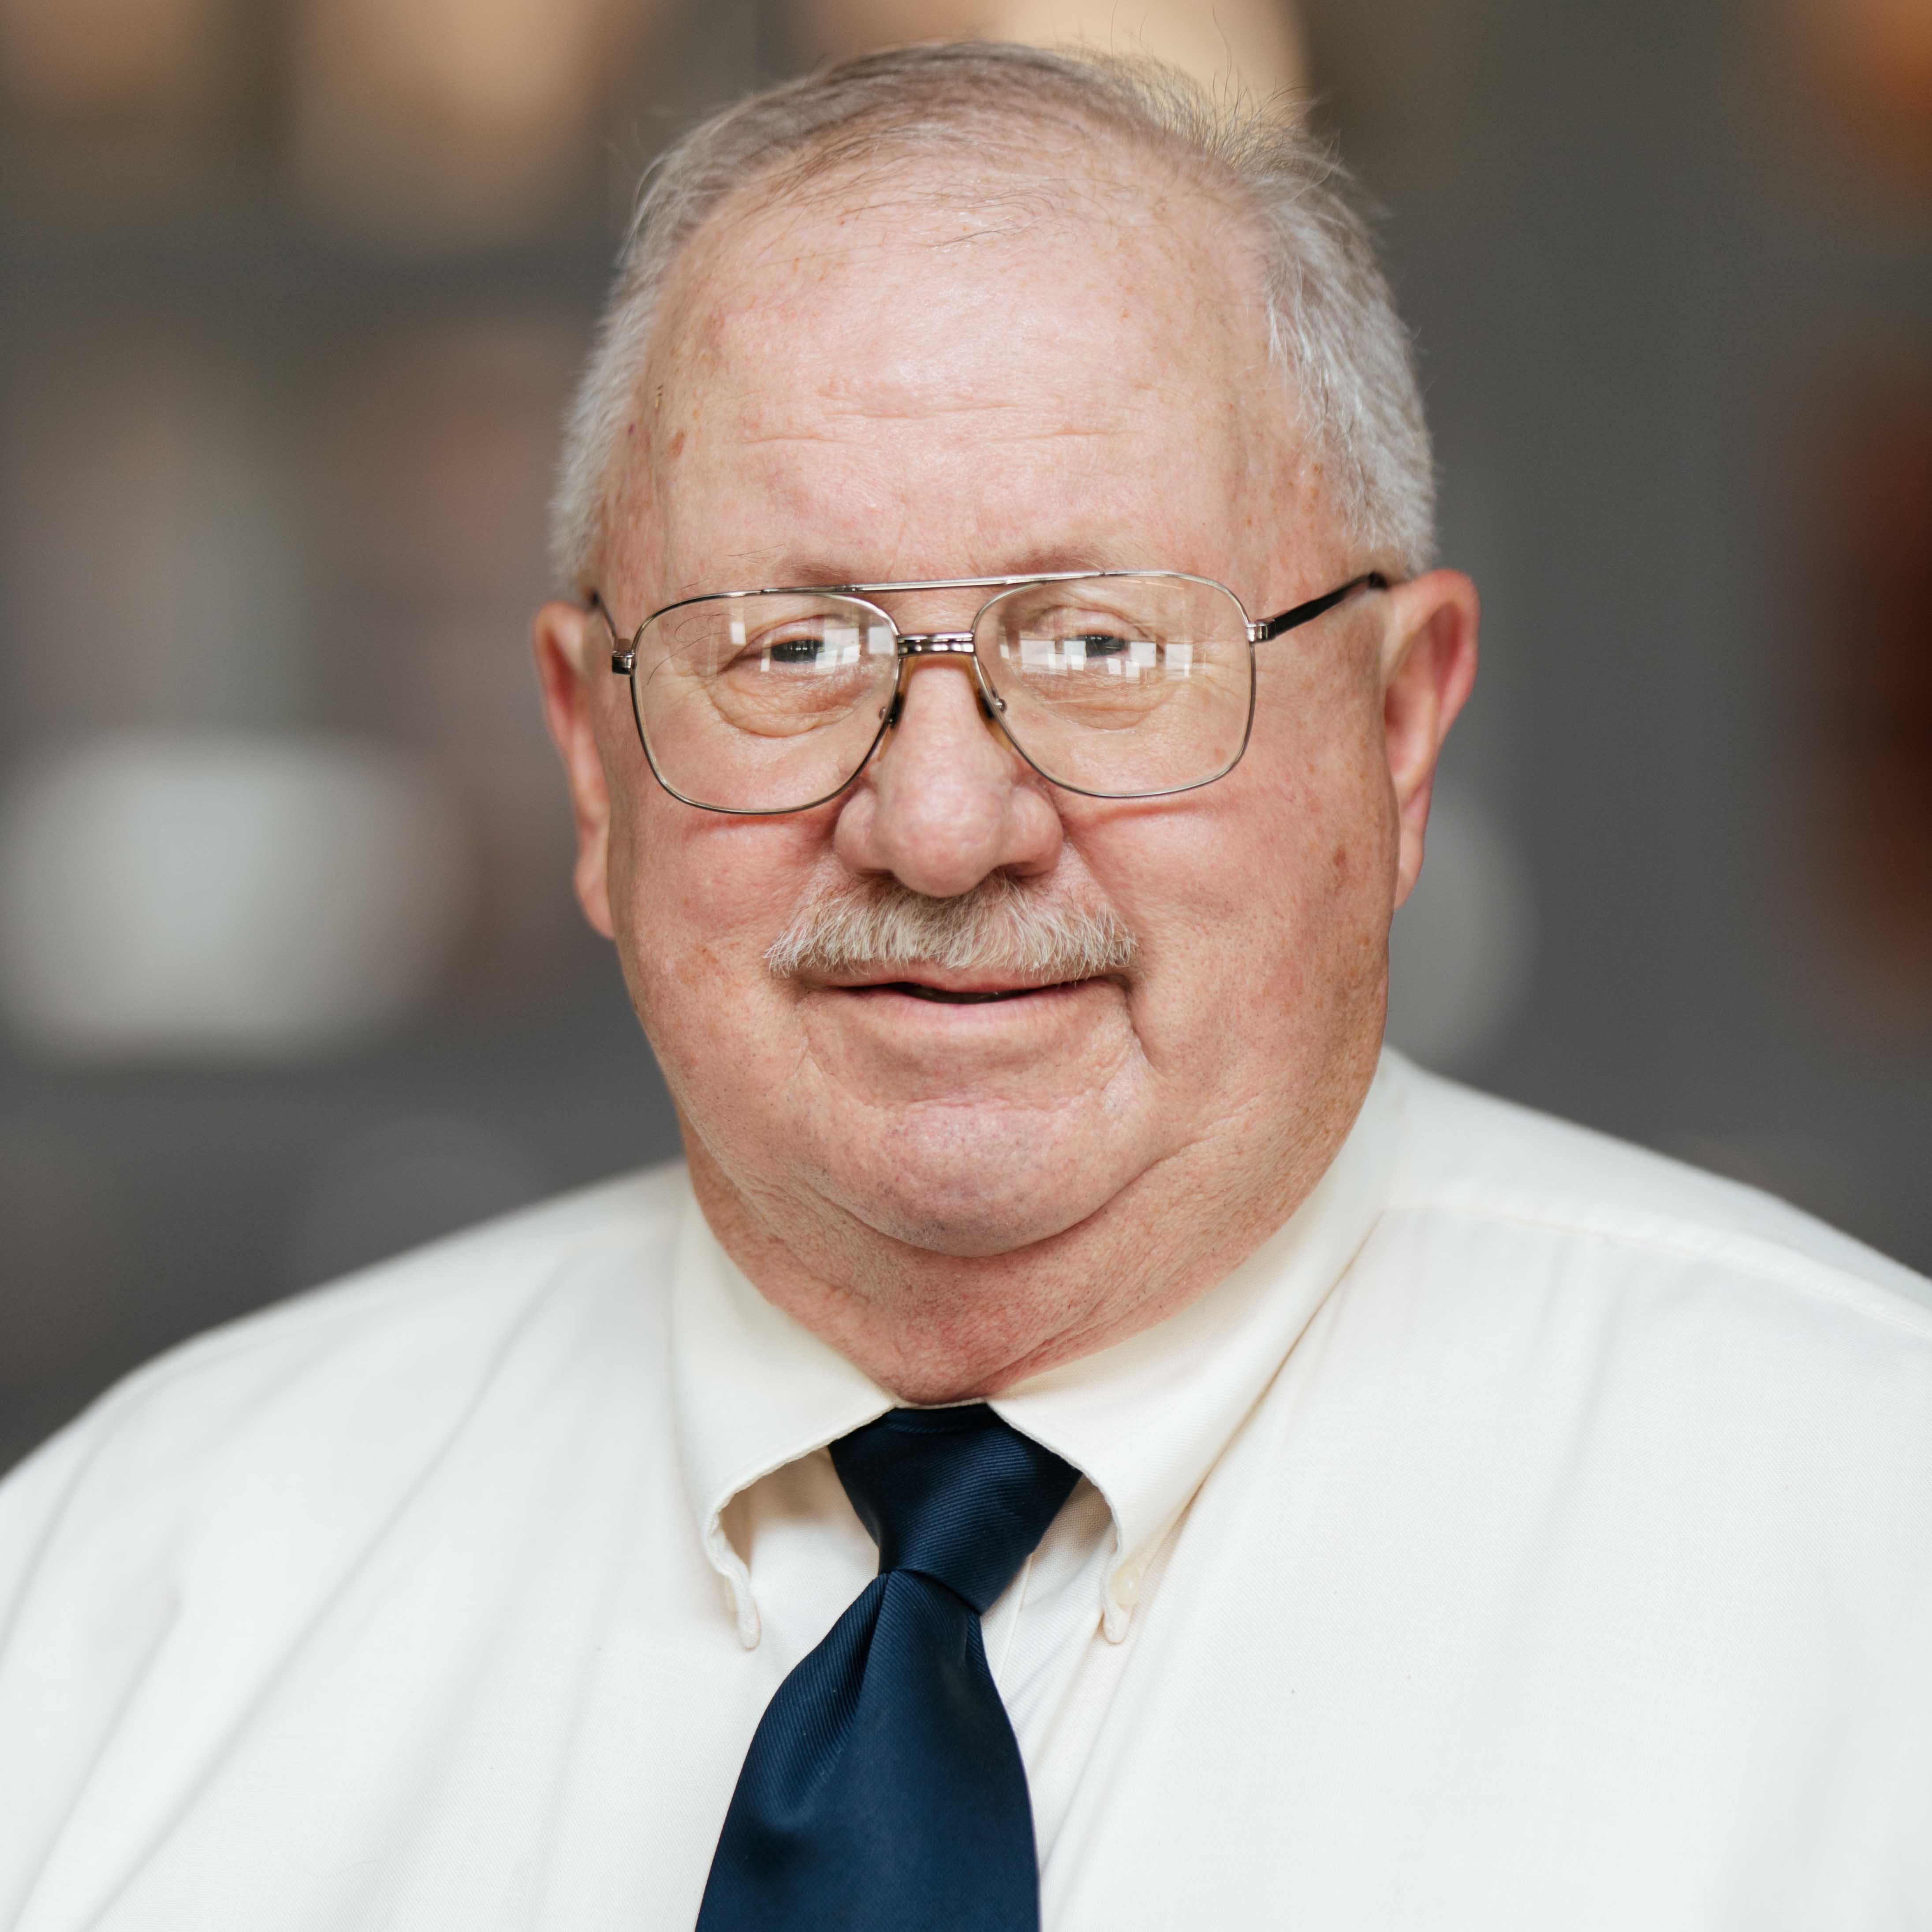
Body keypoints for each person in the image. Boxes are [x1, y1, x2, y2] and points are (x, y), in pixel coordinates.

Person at [2, 42, 1930, 1931]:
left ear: (1400, 727)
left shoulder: (1869, 1555)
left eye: (1100, 645)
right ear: (592, 765)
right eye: (789, 649)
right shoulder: (123, 1595)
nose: (937, 826)